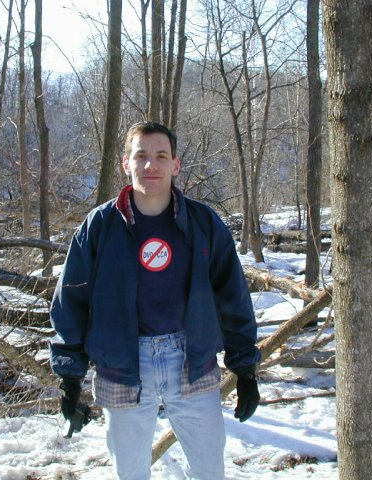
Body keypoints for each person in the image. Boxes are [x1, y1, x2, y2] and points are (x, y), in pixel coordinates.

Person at [49, 121, 260, 480]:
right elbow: (71, 300)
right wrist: (70, 378)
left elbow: (233, 296)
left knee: (209, 472)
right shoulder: (99, 226)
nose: (151, 165)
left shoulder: (203, 223)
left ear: (176, 164)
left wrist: (245, 369)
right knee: (130, 474)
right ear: (125, 163)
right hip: (123, 365)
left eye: (161, 156)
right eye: (141, 156)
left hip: (192, 360)